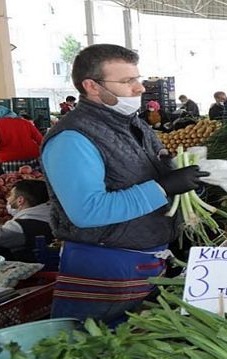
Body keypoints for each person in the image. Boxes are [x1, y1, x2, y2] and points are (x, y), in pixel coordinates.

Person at [41, 43, 208, 326]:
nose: (140, 88)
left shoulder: (133, 124)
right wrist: (163, 188)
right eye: (127, 81)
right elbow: (88, 212)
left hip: (143, 259)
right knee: (92, 348)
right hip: (102, 267)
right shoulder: (72, 139)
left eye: (137, 78)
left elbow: (151, 171)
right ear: (92, 86)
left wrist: (188, 182)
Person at [0, 180, 53, 262]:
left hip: (31, 271)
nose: (8, 198)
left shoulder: (18, 227)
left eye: (11, 195)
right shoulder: (54, 216)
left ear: (20, 200)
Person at [0, 106, 43, 173]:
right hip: (32, 156)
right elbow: (40, 139)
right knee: (35, 179)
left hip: (10, 159)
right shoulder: (25, 122)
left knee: (15, 180)